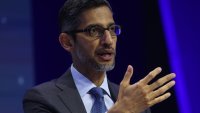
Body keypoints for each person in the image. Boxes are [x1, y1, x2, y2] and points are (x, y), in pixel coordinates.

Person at [23, 0, 176, 113]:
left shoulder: (134, 102)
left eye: (112, 29)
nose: (108, 40)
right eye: (94, 31)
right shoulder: (42, 99)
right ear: (67, 42)